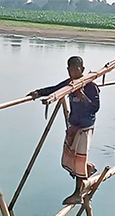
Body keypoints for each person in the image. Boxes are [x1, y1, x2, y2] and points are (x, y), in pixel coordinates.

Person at [28, 56, 99, 205]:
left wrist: (83, 96)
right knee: (68, 158)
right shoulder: (69, 84)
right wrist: (38, 92)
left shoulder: (90, 86)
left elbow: (95, 107)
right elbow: (55, 89)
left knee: (78, 159)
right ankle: (89, 168)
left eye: (76, 69)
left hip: (85, 127)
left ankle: (77, 194)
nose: (72, 72)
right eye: (70, 69)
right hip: (74, 125)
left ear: (82, 70)